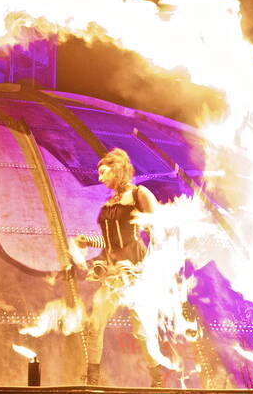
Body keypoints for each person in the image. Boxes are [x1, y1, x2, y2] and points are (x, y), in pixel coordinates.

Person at [75, 148, 172, 387]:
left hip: (136, 271)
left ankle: (158, 380)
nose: (100, 178)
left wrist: (146, 268)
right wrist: (89, 241)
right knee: (94, 325)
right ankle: (93, 381)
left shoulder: (139, 193)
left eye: (103, 172)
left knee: (141, 330)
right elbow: (112, 243)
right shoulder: (110, 202)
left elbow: (158, 234)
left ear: (117, 169)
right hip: (112, 273)